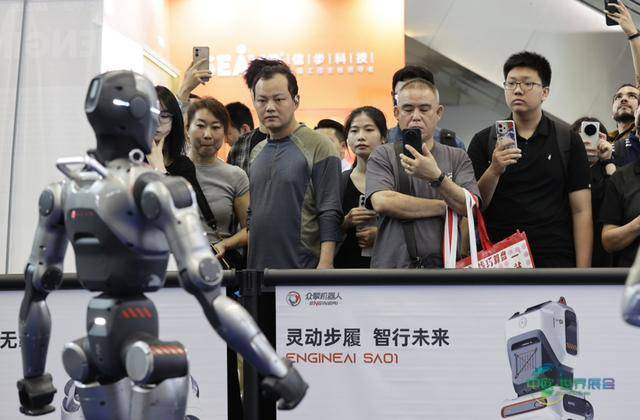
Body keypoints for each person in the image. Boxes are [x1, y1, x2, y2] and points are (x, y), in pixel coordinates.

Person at [467, 51, 592, 268]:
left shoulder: (567, 140)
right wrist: (494, 170)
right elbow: (474, 207)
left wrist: (583, 272)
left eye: (527, 83)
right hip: (500, 259)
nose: (517, 90)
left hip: (555, 258)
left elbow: (581, 210)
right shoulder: (483, 141)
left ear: (545, 92)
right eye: (511, 83)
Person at [366, 78, 479, 268]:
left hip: (446, 268)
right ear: (396, 113)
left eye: (424, 109)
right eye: (408, 109)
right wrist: (443, 207)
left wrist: (437, 177)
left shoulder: (457, 156)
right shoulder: (382, 154)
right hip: (393, 269)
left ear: (438, 112)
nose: (416, 116)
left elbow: (470, 206)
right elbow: (382, 201)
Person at [247, 63, 342, 269]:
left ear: (296, 101)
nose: (269, 107)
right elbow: (252, 214)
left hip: (302, 269)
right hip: (258, 269)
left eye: (278, 99)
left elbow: (330, 209)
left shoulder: (320, 145)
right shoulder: (256, 152)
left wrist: (326, 263)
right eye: (262, 100)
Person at [185, 98, 249, 266]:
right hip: (174, 265)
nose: (208, 135)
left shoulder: (235, 176)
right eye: (200, 126)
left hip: (216, 265)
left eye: (215, 127)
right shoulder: (169, 171)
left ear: (224, 132)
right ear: (187, 129)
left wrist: (224, 244)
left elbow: (250, 229)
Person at [334, 107, 387, 268]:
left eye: (369, 129)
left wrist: (382, 236)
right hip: (345, 271)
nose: (361, 137)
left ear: (383, 137)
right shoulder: (339, 181)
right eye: (354, 131)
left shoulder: (397, 180)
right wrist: (345, 222)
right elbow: (322, 230)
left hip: (388, 271)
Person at [385, 65, 466, 150]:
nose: (416, 116)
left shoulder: (452, 143)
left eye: (423, 109)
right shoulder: (383, 141)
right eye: (402, 93)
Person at [227, 58, 284, 174]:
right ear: (253, 94)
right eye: (262, 94)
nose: (270, 105)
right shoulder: (239, 146)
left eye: (277, 96)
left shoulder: (308, 143)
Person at [570, 117, 614, 267]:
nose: (588, 141)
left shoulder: (609, 171)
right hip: (566, 248)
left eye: (594, 136)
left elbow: (618, 198)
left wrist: (608, 160)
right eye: (582, 136)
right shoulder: (564, 168)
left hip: (601, 252)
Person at [606, 1, 640, 147]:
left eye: (632, 96)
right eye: (618, 97)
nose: (623, 99)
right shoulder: (603, 142)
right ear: (611, 113)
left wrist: (633, 35)